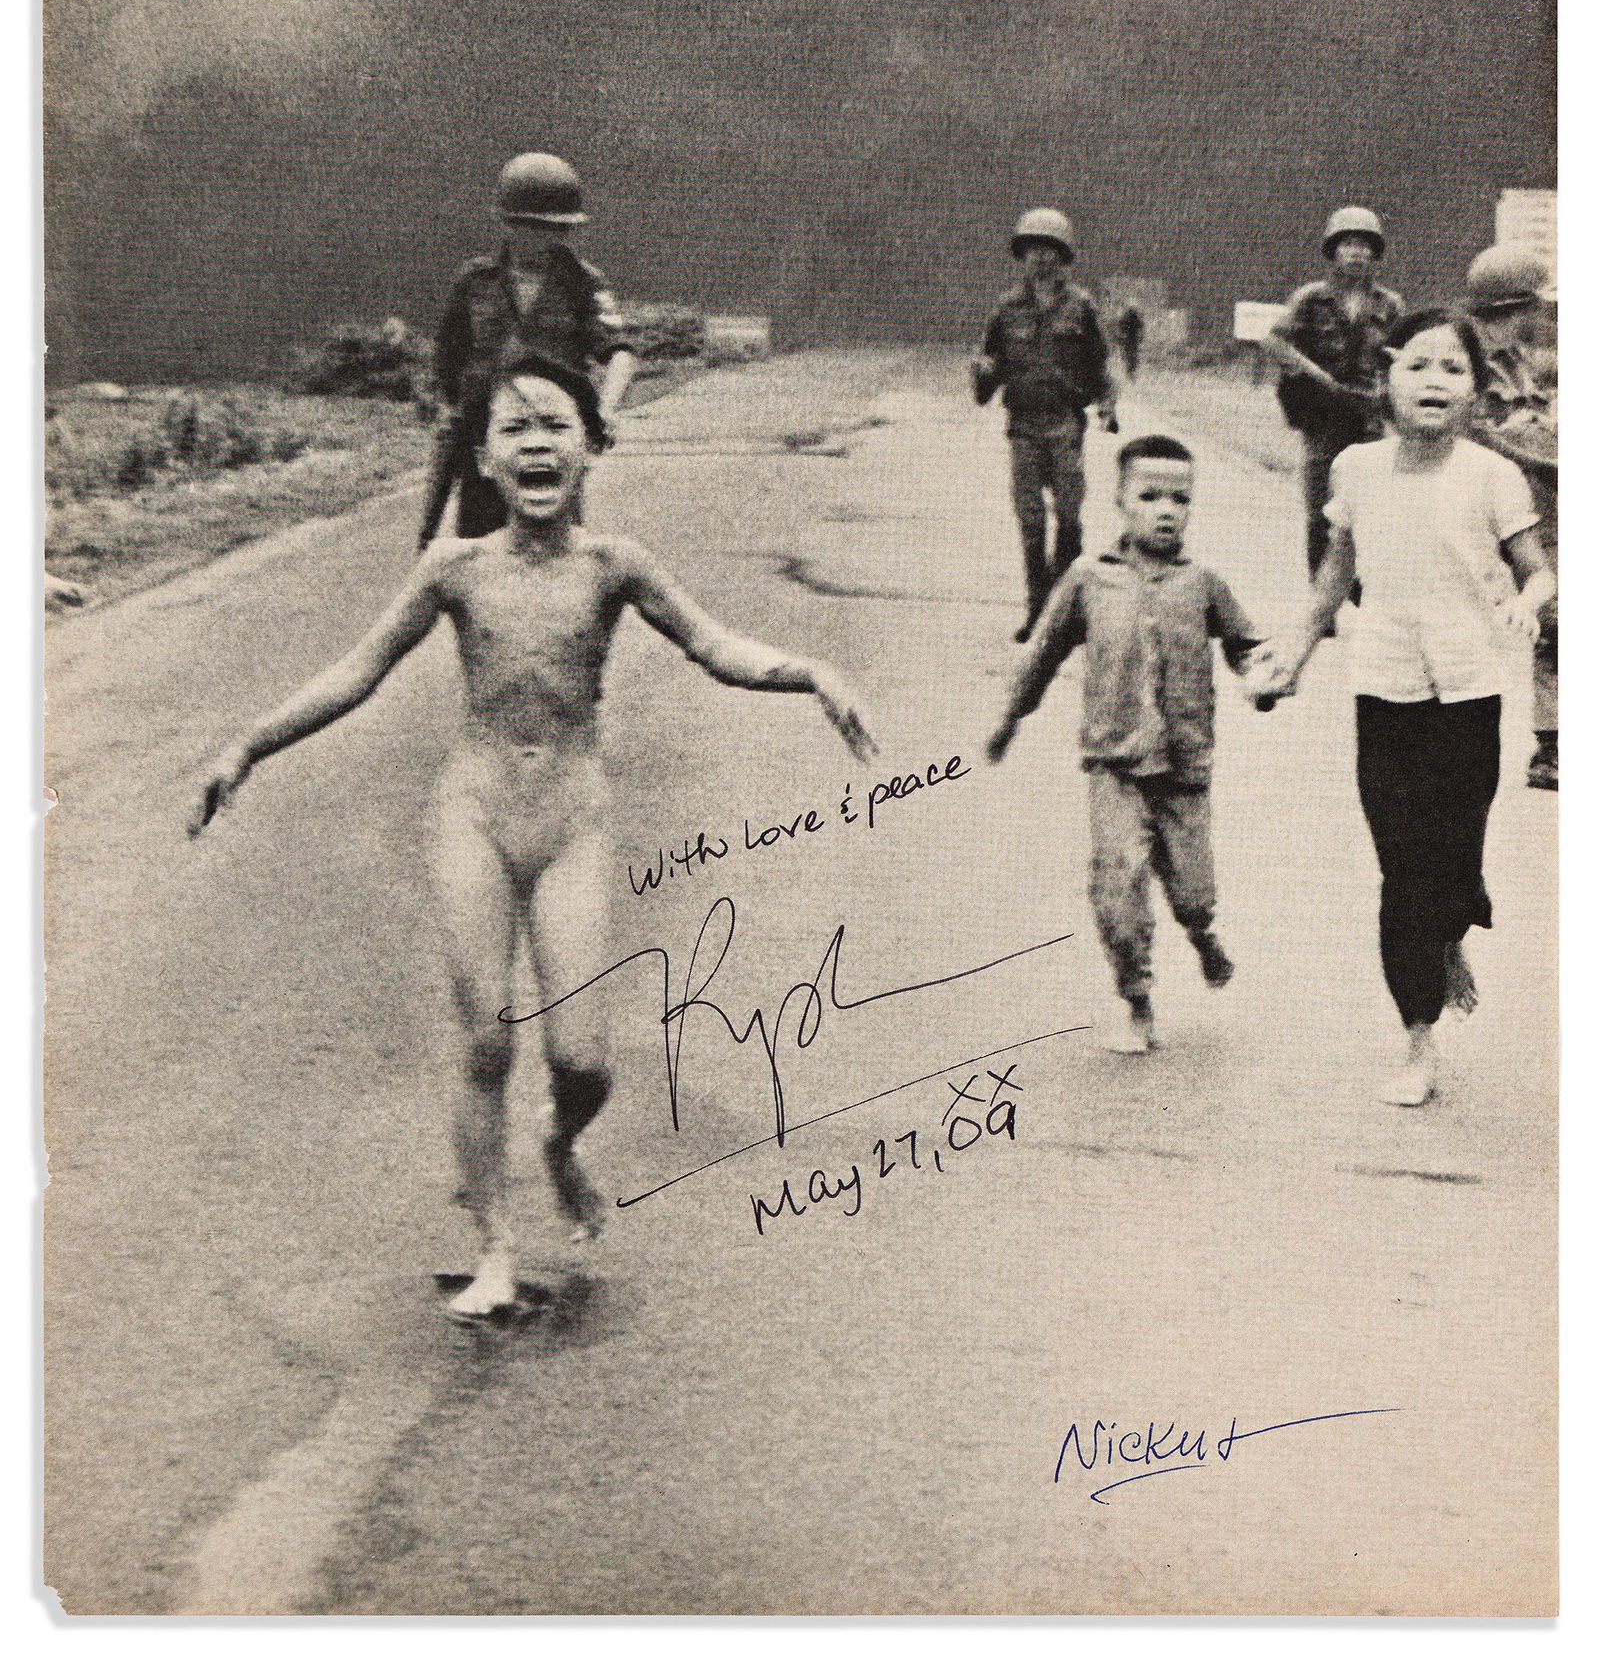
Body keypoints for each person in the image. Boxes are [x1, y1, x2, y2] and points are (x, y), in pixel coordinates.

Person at [192, 352, 875, 1320]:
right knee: (484, 1041)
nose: (537, 442)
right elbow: (356, 671)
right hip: (472, 813)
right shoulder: (454, 570)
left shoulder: (616, 564)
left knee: (582, 1057)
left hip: (571, 823)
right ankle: (494, 1246)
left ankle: (558, 1146)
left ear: (591, 448)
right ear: (485, 459)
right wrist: (245, 748)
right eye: (515, 429)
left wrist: (809, 672)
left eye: (557, 424)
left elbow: (716, 644)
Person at [1264, 313, 1554, 1108]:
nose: (1434, 381)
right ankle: (1417, 1037)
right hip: (1382, 684)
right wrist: (1291, 653)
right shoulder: (1356, 469)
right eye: (1418, 364)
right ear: (1386, 378)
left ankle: (1450, 926)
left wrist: (1529, 603)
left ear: (1476, 391)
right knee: (1402, 870)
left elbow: (1537, 570)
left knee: (1451, 861)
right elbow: (1332, 580)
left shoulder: (1493, 477)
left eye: (1453, 369)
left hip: (1467, 688)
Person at [985, 433, 1276, 1054]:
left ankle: (1202, 935)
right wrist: (1010, 718)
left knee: (1193, 889)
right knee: (1118, 887)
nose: (1167, 509)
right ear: (1120, 501)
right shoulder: (1089, 580)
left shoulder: (1205, 584)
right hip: (1112, 763)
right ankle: (1137, 1000)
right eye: (1150, 496)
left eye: (1181, 498)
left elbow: (1246, 646)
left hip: (1184, 766)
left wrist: (1263, 680)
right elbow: (1040, 654)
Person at [417, 152, 637, 549]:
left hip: (553, 437)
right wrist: (450, 411)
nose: (543, 238)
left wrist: (606, 409)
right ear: (508, 223)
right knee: (476, 551)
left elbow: (619, 352)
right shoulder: (474, 282)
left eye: (556, 229)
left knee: (555, 546)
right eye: (530, 226)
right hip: (488, 437)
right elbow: (447, 360)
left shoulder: (584, 283)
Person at [971, 207, 1119, 642]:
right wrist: (981, 372)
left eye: (1050, 249)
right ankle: (1038, 609)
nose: (1041, 257)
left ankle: (1065, 607)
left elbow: (1101, 364)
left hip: (1065, 426)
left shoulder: (1081, 306)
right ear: (1022, 254)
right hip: (1023, 428)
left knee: (1070, 519)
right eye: (1033, 248)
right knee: (1031, 522)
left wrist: (1107, 405)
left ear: (1063, 255)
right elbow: (989, 365)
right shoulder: (1007, 308)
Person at [1264, 206, 1404, 580]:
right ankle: (1320, 590)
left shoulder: (1389, 304)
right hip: (1322, 419)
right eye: (1348, 244)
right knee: (1320, 510)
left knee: (1368, 506)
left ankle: (1357, 583)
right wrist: (1317, 376)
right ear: (1334, 250)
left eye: (1364, 245)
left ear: (1375, 254)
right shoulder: (1312, 298)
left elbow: (1401, 356)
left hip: (1368, 418)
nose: (1357, 252)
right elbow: (1275, 341)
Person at [1466, 244, 1558, 790]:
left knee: (1557, 625)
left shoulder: (1518, 359)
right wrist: (1549, 461)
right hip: (1489, 515)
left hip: (1535, 509)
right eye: (1535, 305)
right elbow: (1476, 435)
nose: (1541, 315)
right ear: (1514, 303)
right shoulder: (1468, 359)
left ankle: (1553, 746)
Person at [1116, 303, 1144, 381]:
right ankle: (1131, 371)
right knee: (1132, 355)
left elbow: (1120, 328)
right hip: (1132, 340)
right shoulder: (1134, 318)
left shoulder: (1125, 318)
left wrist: (1120, 338)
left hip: (1128, 340)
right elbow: (1140, 329)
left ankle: (1130, 371)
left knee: (1129, 356)